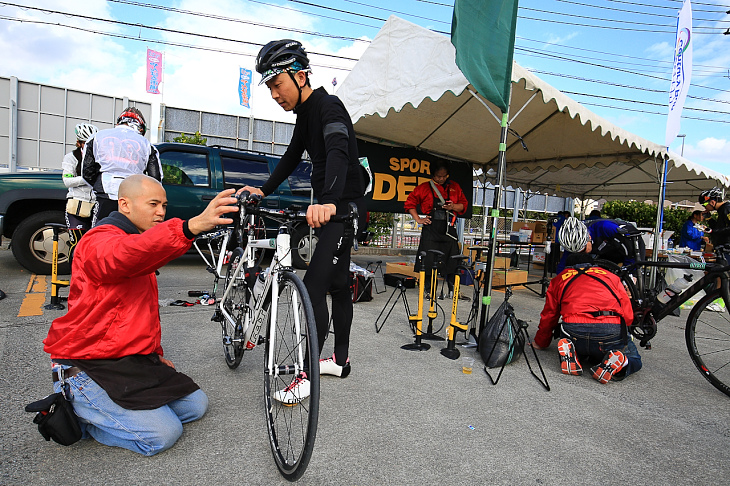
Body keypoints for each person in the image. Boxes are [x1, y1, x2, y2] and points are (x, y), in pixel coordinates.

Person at [43, 174, 239, 455]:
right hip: (87, 364)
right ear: (125, 204)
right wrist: (190, 227)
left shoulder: (139, 242)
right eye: (153, 204)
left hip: (130, 360)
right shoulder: (99, 240)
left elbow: (139, 312)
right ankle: (82, 416)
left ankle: (120, 413)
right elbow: (122, 256)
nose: (161, 212)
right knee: (163, 434)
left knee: (196, 405)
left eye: (164, 205)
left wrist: (154, 353)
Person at [240, 39, 366, 403]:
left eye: (277, 85)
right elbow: (293, 156)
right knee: (339, 286)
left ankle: (307, 374)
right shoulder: (306, 115)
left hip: (342, 209)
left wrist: (328, 201)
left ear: (299, 75)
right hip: (333, 208)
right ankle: (339, 361)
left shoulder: (329, 107)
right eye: (270, 88)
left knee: (312, 289)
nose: (274, 95)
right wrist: (264, 189)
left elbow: (340, 153)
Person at [532, 220, 642, 383]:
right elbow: (627, 315)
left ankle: (575, 353)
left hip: (573, 330)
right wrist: (623, 332)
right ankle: (620, 362)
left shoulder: (560, 279)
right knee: (633, 358)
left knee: (585, 344)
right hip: (609, 330)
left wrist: (540, 343)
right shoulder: (611, 276)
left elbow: (549, 315)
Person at [82, 107, 162, 225]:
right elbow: (156, 179)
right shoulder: (146, 144)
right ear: (140, 126)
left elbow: (87, 172)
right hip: (134, 196)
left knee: (99, 235)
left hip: (105, 193)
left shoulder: (96, 137)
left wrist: (99, 186)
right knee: (130, 237)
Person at [404, 160, 468, 297]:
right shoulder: (424, 187)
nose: (442, 179)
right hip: (431, 228)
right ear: (433, 175)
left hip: (449, 228)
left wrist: (453, 207)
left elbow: (463, 205)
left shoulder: (455, 187)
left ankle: (453, 289)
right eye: (439, 176)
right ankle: (429, 290)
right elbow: (409, 203)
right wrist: (419, 219)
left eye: (444, 176)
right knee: (428, 261)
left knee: (452, 260)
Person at [556, 217, 644, 273]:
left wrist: (631, 275)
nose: (582, 253)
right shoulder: (574, 241)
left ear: (588, 237)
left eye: (583, 250)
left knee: (631, 275)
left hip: (629, 242)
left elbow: (631, 251)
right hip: (606, 250)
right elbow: (563, 266)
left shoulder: (606, 228)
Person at [63, 123, 98, 253]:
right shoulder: (71, 158)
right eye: (86, 143)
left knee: (94, 244)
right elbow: (67, 181)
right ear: (79, 143)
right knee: (77, 244)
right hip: (77, 205)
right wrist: (86, 178)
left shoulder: (99, 158)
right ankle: (75, 271)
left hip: (96, 204)